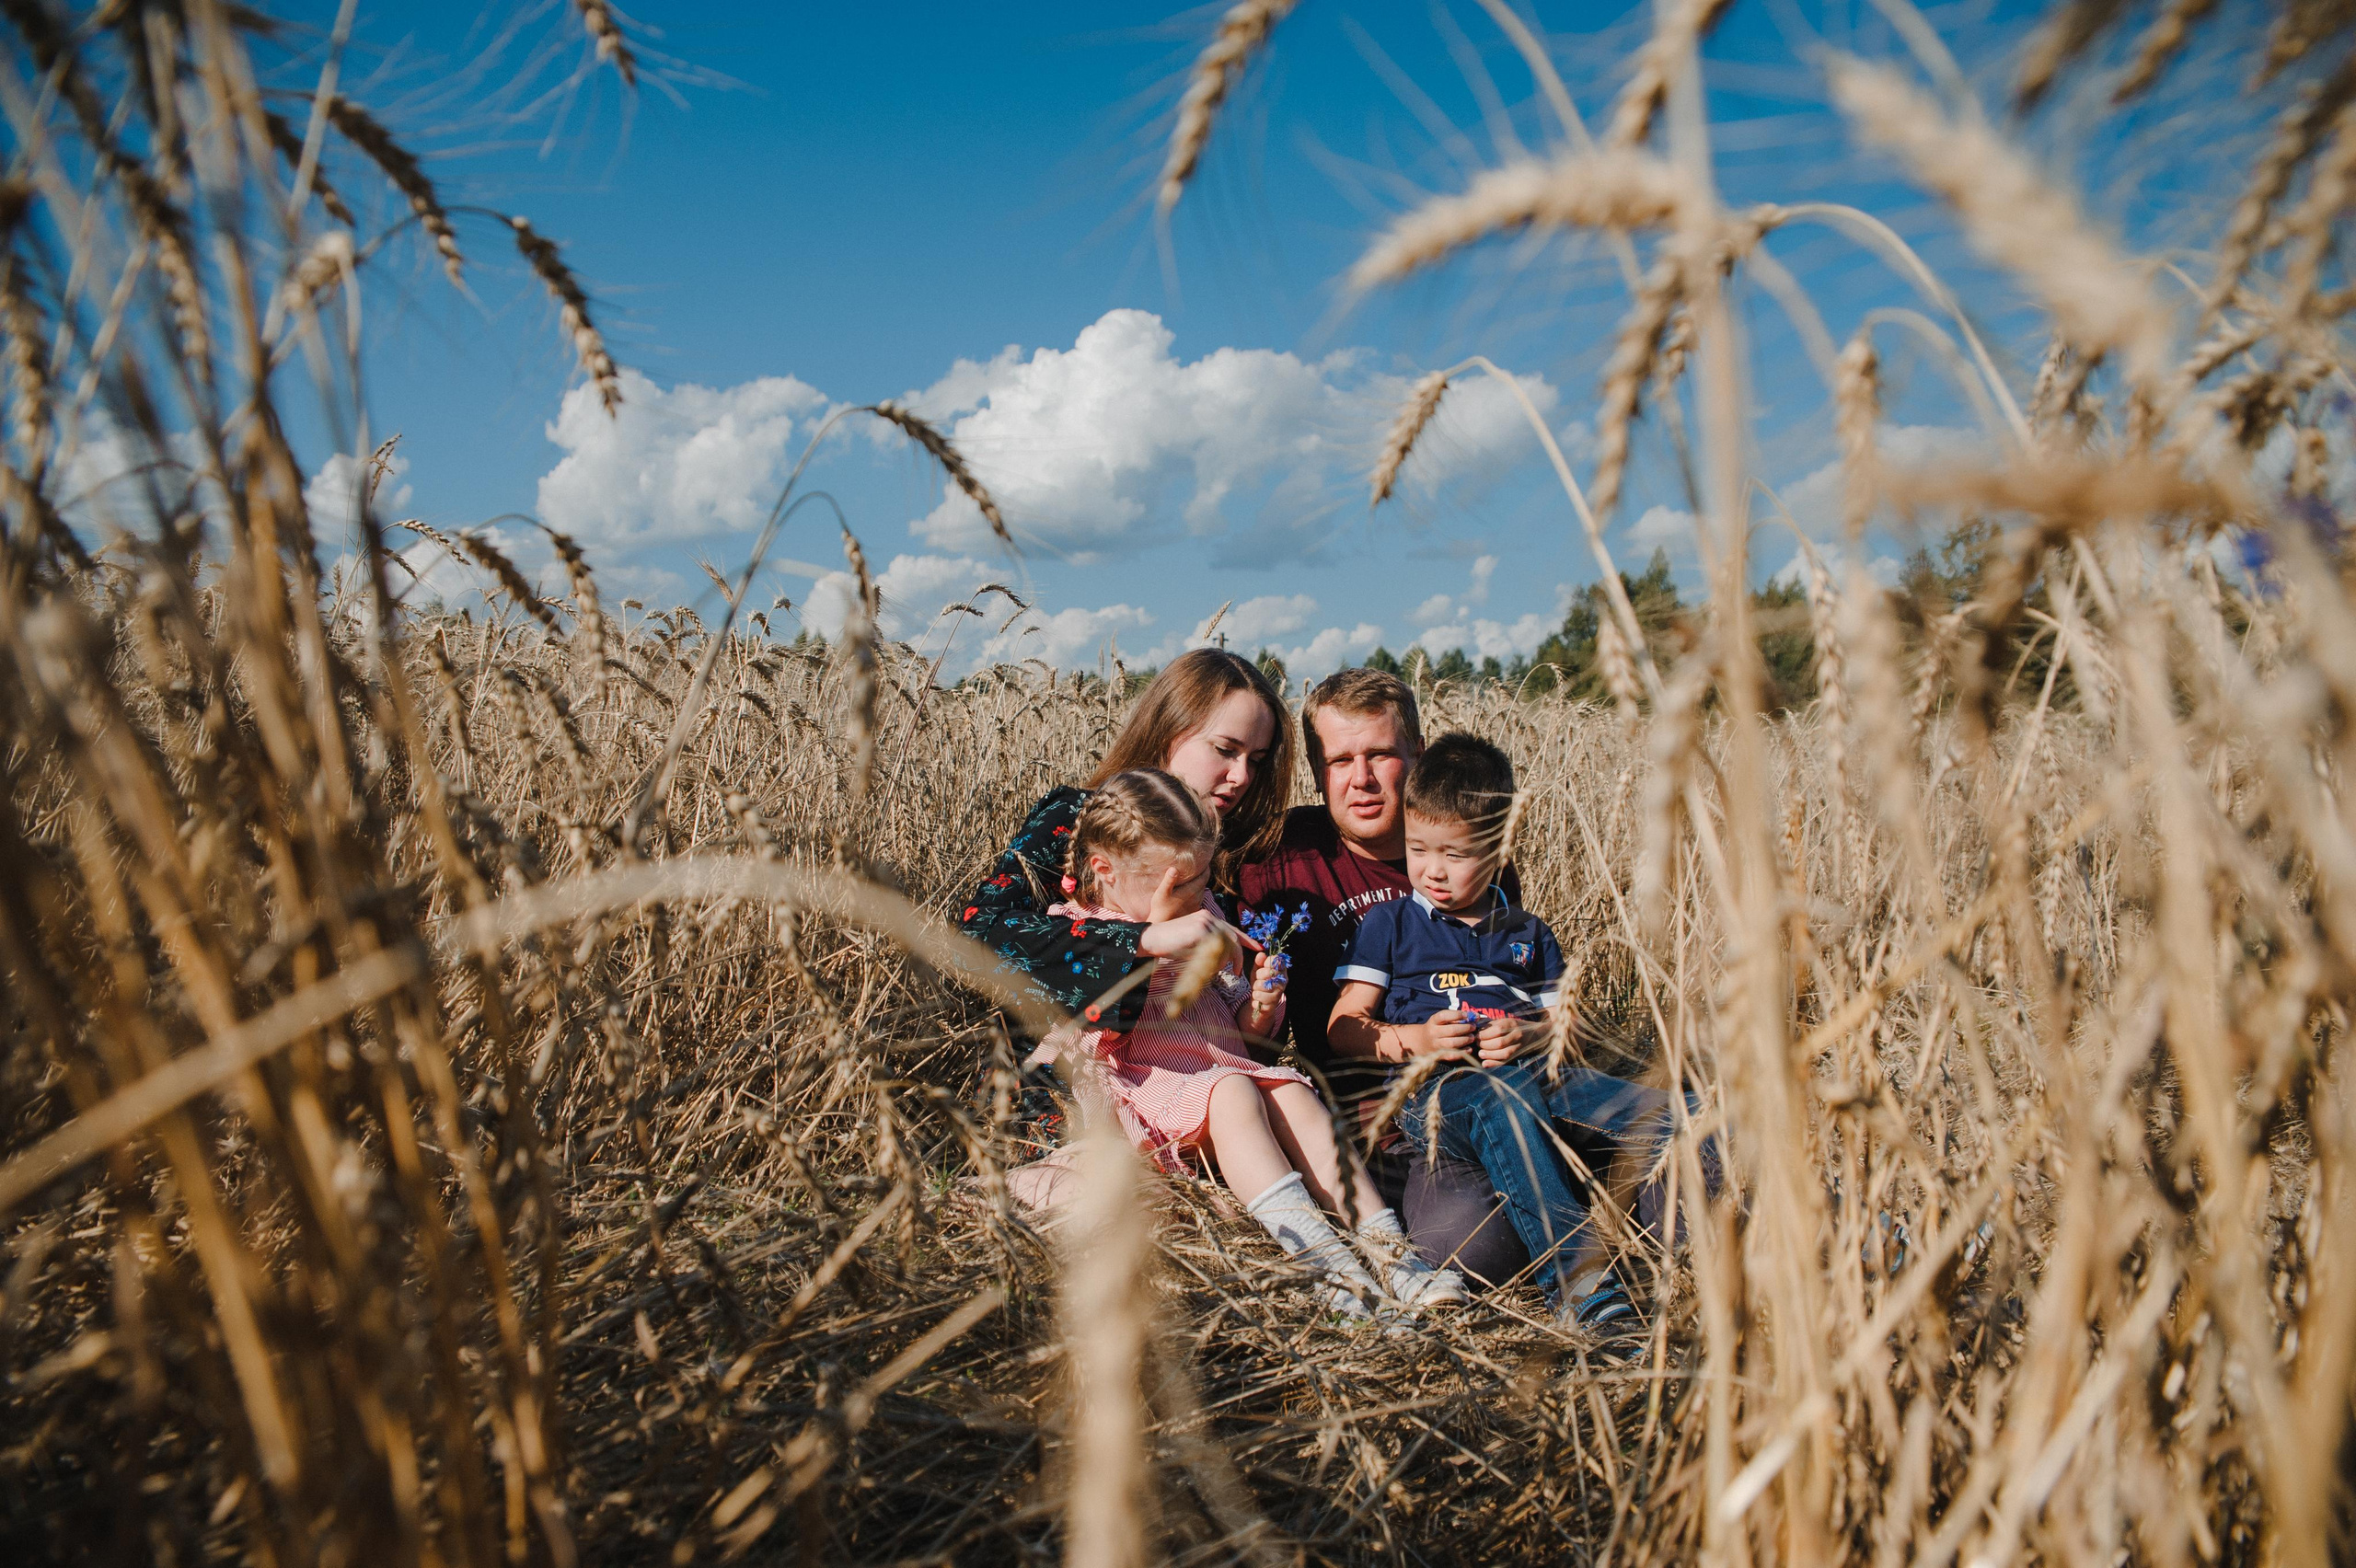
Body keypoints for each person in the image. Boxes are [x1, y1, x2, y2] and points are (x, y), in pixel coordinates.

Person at [1045, 769, 1463, 1314]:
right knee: (1234, 1091)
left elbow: (1236, 1031)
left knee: (1294, 1094)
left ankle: (1393, 1257)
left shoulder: (1208, 914)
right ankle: (1327, 1270)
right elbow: (1103, 1027)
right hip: (1146, 1083)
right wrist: (1160, 937)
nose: (1199, 895)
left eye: (1201, 880)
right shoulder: (1080, 931)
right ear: (1106, 870)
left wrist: (1260, 1005)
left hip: (1218, 1063)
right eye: (1179, 884)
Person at [1330, 732, 1688, 1332]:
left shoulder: (1528, 932)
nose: (1433, 871)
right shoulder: (1388, 923)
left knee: (1679, 1113)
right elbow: (1344, 1027)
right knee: (1500, 1101)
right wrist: (1416, 1039)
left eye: (1456, 854)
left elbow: (1562, 1023)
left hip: (1540, 1080)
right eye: (1418, 849)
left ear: (1498, 849)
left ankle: (1826, 1224)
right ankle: (1581, 1285)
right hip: (1443, 1093)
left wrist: (1531, 1036)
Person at [1235, 668, 1531, 1286]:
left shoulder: (1476, 857)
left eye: (1379, 755)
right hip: (1385, 1126)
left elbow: (1520, 990)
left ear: (1417, 757)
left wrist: (1523, 1028)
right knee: (1481, 1247)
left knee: (1674, 1148)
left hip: (1499, 1094)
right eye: (1340, 760)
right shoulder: (1282, 860)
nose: (1361, 779)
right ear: (1317, 770)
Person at [957, 648, 1290, 1036]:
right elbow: (979, 934)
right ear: (1169, 729)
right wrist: (1147, 938)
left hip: (1207, 1067)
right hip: (1068, 1077)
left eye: (1256, 759)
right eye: (1225, 750)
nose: (1242, 776)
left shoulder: (1237, 849)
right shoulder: (1082, 819)